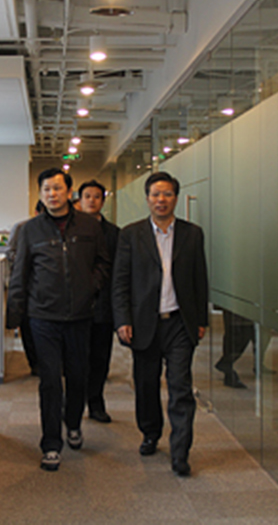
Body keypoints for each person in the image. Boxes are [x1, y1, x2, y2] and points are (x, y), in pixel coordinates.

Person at [7, 168, 110, 472]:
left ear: (69, 192)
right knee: (50, 381)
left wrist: (90, 286)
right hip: (43, 317)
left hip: (80, 316)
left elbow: (103, 262)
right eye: (46, 189)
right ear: (40, 194)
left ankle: (73, 423)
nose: (52, 194)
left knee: (78, 376)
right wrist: (14, 313)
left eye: (57, 188)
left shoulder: (90, 226)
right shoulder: (30, 230)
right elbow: (20, 273)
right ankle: (51, 443)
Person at [112, 172, 208, 477]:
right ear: (147, 199)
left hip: (179, 322)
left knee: (180, 387)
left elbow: (200, 278)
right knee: (146, 384)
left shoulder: (192, 234)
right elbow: (120, 282)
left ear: (176, 198)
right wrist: (122, 319)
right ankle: (150, 432)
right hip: (144, 322)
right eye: (155, 194)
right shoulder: (131, 234)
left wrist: (201, 319)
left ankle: (180, 452)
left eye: (167, 194)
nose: (161, 200)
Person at [77, 180, 120, 423]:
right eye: (87, 196)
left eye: (96, 197)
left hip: (103, 305)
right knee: (75, 358)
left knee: (100, 358)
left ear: (103, 201)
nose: (91, 200)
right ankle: (73, 404)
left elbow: (118, 271)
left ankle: (96, 403)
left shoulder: (114, 233)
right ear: (79, 200)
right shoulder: (70, 229)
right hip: (75, 306)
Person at [6, 200, 45, 376]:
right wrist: (26, 260)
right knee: (27, 326)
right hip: (25, 282)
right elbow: (10, 252)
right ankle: (34, 364)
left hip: (46, 286)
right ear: (36, 213)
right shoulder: (22, 227)